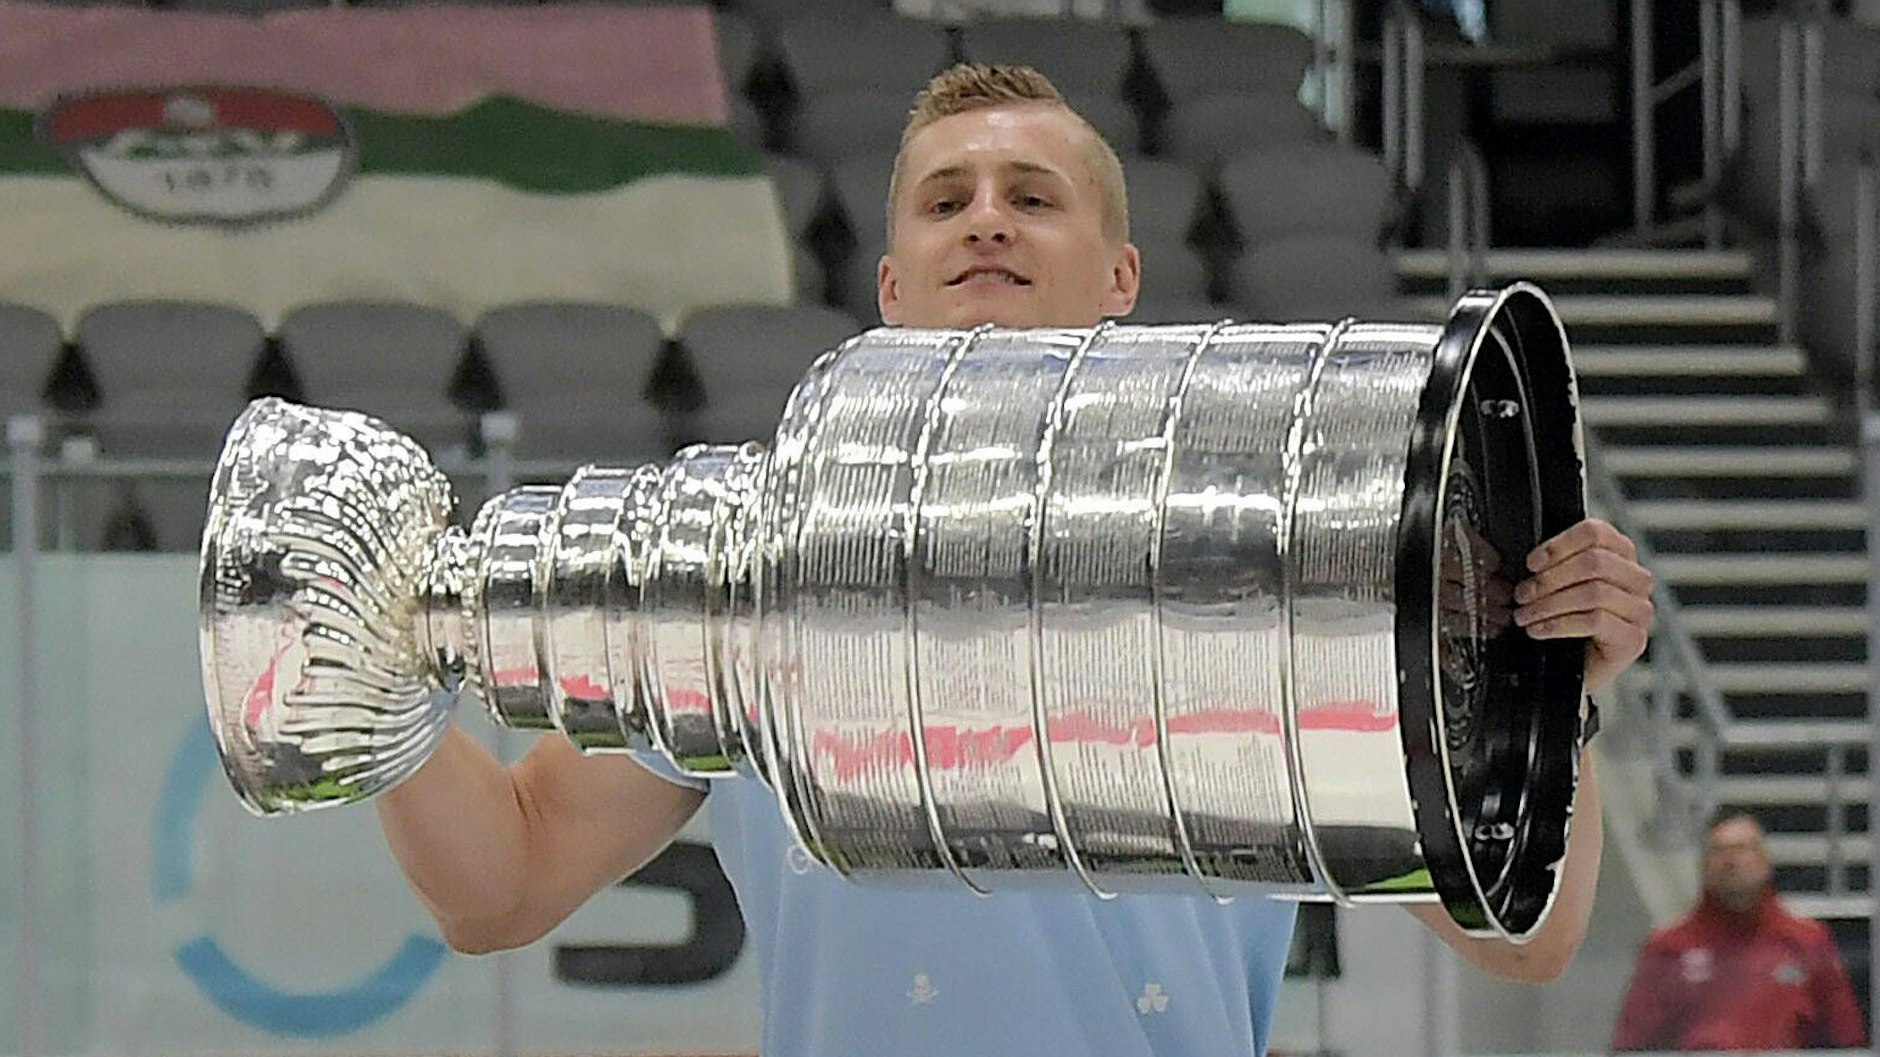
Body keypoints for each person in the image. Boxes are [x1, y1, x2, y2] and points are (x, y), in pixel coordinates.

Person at [376, 64, 1657, 1057]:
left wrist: (1553, 685)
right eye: (946, 201)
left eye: (1030, 198)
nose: (984, 221)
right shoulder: (740, 552)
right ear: (890, 283)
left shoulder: (1274, 554)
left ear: (1118, 277)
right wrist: (363, 671)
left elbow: (1524, 941)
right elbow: (508, 880)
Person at [1610, 811, 1867, 1051]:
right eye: (1719, 851)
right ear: (1704, 865)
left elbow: (1846, 1041)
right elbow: (1631, 1046)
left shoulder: (1806, 941)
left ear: (1764, 861)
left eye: (1741, 849)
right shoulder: (1668, 948)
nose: (1730, 861)